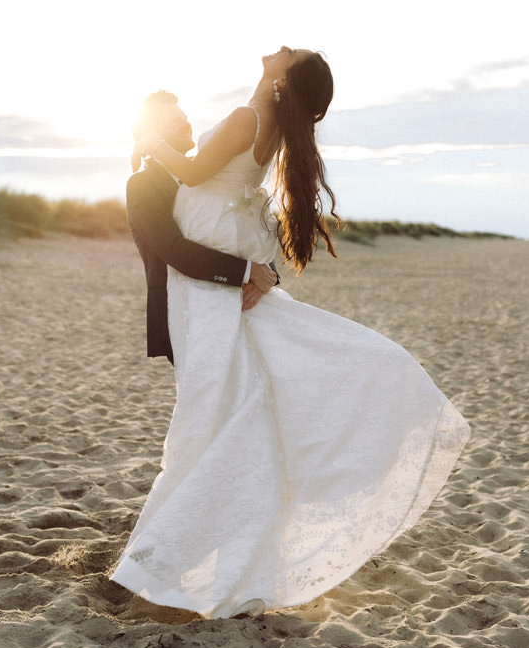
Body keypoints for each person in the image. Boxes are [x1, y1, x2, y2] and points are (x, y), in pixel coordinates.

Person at [111, 47, 470, 619]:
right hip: (212, 287)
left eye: (289, 53)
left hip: (216, 290)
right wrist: (254, 263)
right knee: (227, 420)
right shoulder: (266, 126)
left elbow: (198, 177)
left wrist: (152, 146)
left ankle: (166, 566)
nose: (279, 46)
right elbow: (199, 221)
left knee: (215, 425)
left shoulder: (246, 120)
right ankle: (174, 562)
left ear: (281, 79)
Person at [126, 90, 278, 365]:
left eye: (186, 117)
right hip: (184, 314)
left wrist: (265, 277)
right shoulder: (143, 184)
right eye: (176, 120)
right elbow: (173, 250)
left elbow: (244, 225)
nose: (187, 124)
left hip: (242, 304)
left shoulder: (211, 174)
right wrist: (246, 271)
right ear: (152, 132)